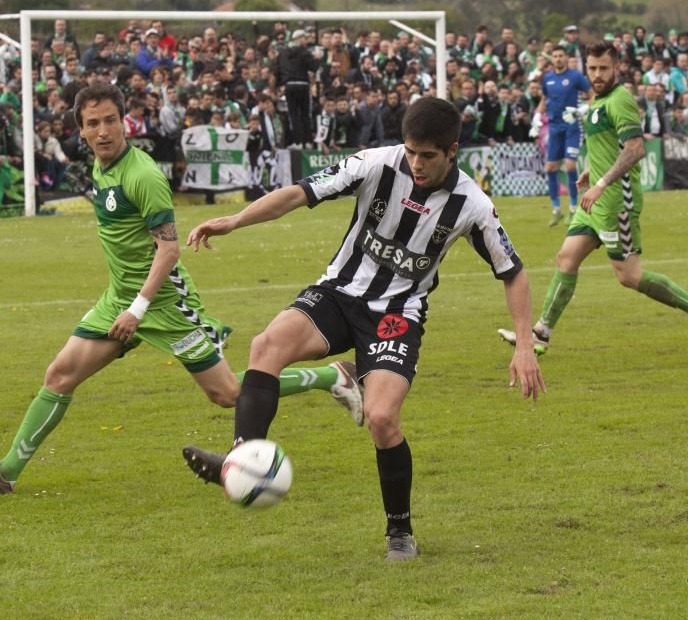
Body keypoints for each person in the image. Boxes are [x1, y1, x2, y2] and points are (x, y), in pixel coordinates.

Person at [0, 83, 363, 495]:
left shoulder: (143, 175)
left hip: (164, 303)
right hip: (119, 299)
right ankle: (3, 473)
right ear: (81, 130)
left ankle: (331, 377)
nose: (103, 131)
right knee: (59, 375)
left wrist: (139, 309)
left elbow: (168, 250)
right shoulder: (101, 166)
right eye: (93, 123)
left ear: (124, 122)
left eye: (111, 120)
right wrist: (127, 304)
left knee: (228, 394)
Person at [181, 97, 545, 561]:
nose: (415, 163)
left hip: (396, 316)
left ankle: (400, 531)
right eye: (411, 151)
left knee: (381, 418)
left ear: (452, 151)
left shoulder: (472, 204)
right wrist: (235, 219)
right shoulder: (374, 164)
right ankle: (241, 459)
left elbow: (512, 271)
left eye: (427, 155)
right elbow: (299, 192)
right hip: (338, 293)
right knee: (266, 345)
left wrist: (525, 345)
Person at [498, 41, 688, 357]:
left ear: (616, 68)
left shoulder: (620, 101)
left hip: (617, 201)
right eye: (592, 68)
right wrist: (592, 170)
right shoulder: (597, 100)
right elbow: (609, 145)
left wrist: (602, 183)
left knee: (628, 276)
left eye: (603, 68)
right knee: (567, 258)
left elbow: (635, 148)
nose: (597, 74)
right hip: (597, 198)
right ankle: (541, 334)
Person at [533, 45, 591, 226]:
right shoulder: (548, 78)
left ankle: (574, 209)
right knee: (550, 168)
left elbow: (593, 96)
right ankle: (556, 210)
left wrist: (581, 110)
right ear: (552, 59)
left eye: (561, 56)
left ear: (566, 58)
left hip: (572, 126)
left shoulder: (575, 77)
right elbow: (544, 100)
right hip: (554, 128)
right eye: (555, 56)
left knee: (570, 164)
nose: (558, 59)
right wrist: (536, 117)